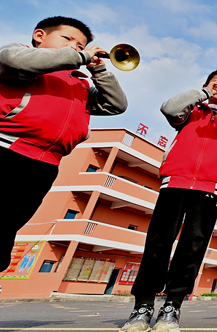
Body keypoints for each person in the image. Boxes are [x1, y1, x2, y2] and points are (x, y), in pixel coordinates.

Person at [116, 71, 217, 332]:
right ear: (204, 85)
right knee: (159, 242)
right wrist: (206, 93)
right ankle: (143, 306)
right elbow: (168, 108)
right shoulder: (190, 112)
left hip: (210, 186)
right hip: (175, 183)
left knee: (193, 245)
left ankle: (172, 306)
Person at [0, 16, 127, 272]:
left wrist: (99, 70)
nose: (76, 48)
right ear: (39, 36)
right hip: (7, 150)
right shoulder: (19, 55)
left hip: (46, 164)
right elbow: (17, 62)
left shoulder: (78, 82)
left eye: (80, 46)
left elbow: (116, 105)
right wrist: (79, 56)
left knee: (6, 229)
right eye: (67, 39)